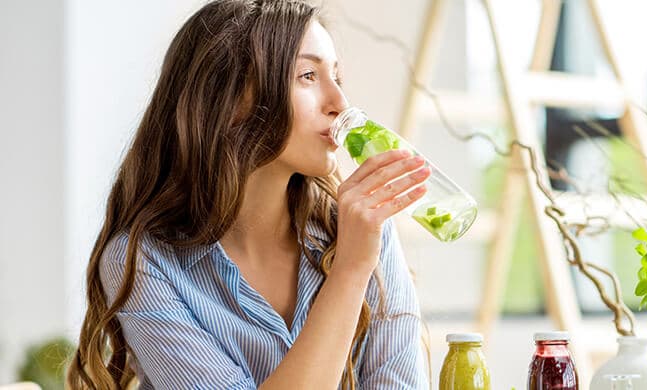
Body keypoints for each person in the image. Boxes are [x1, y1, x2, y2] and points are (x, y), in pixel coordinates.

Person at [66, 1, 432, 388]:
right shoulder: (144, 262)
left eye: (337, 77)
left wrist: (356, 259)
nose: (340, 104)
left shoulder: (359, 230)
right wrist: (349, 273)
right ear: (229, 99)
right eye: (308, 75)